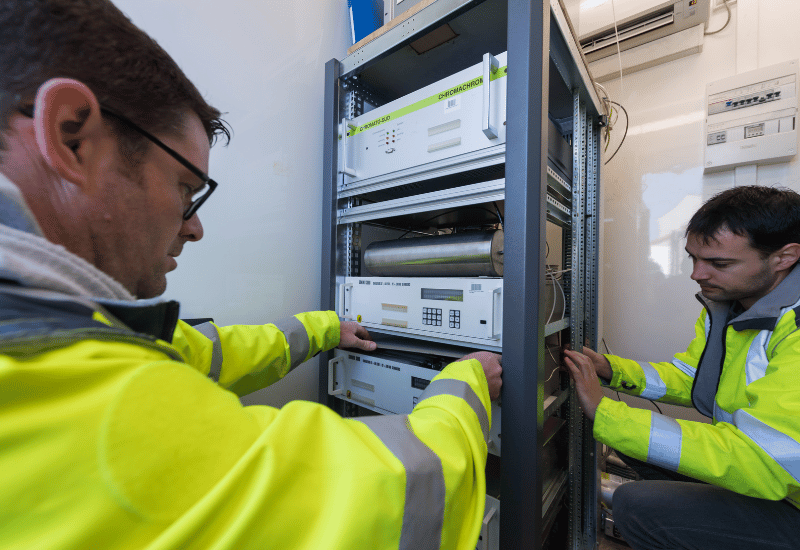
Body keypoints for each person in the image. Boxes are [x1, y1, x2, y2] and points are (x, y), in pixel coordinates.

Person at [0, 1, 502, 549]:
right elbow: (394, 489)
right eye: (185, 191)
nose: (194, 230)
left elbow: (205, 350)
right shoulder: (96, 403)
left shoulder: (52, 337)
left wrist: (323, 329)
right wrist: (463, 382)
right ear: (72, 135)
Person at [563, 185, 800, 550]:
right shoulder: (732, 307)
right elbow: (693, 378)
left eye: (718, 264)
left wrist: (606, 413)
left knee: (635, 505)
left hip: (787, 493)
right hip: (768, 474)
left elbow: (765, 458)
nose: (696, 275)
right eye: (693, 258)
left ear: (784, 257)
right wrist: (611, 369)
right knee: (629, 444)